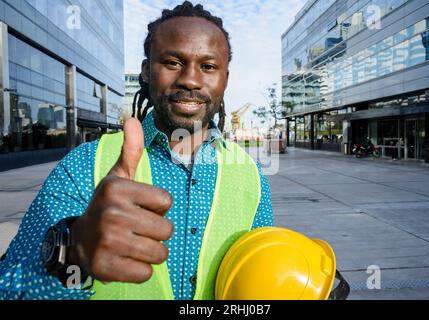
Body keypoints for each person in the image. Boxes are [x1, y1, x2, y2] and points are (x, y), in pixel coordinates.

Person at [0, 1, 273, 300]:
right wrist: (74, 250)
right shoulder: (83, 164)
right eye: (172, 62)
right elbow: (11, 288)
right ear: (146, 71)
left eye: (208, 67)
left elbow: (258, 278)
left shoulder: (251, 175)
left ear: (225, 79)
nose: (191, 80)